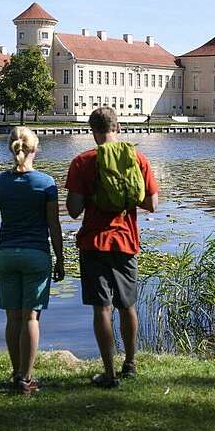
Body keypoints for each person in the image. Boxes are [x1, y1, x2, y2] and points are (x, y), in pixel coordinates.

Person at [66, 107, 158, 388]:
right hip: (127, 241)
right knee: (127, 306)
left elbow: (72, 210)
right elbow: (152, 204)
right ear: (118, 128)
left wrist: (93, 196)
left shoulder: (83, 162)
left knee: (101, 308)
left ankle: (109, 373)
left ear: (92, 131)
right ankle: (130, 364)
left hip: (94, 243)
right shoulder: (137, 158)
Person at [0, 126, 66, 394]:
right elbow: (54, 226)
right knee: (31, 318)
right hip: (36, 255)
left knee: (12, 318)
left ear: (11, 148)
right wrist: (60, 259)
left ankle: (16, 373)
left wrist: (0, 251)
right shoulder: (46, 183)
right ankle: (25, 379)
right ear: (35, 149)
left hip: (7, 255)